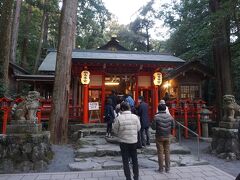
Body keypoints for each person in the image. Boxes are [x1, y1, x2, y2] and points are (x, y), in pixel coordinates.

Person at [113, 102, 141, 180]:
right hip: (133, 141)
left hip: (123, 141)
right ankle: (136, 177)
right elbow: (138, 128)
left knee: (125, 161)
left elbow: (115, 131)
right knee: (135, 160)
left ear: (121, 109)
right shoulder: (135, 117)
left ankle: (128, 178)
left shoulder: (118, 118)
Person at [151, 103, 175, 173]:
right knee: (167, 152)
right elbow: (173, 127)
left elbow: (153, 127)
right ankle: (167, 168)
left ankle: (161, 169)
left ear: (158, 109)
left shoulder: (156, 117)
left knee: (160, 152)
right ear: (165, 109)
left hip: (159, 136)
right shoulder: (170, 117)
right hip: (167, 136)